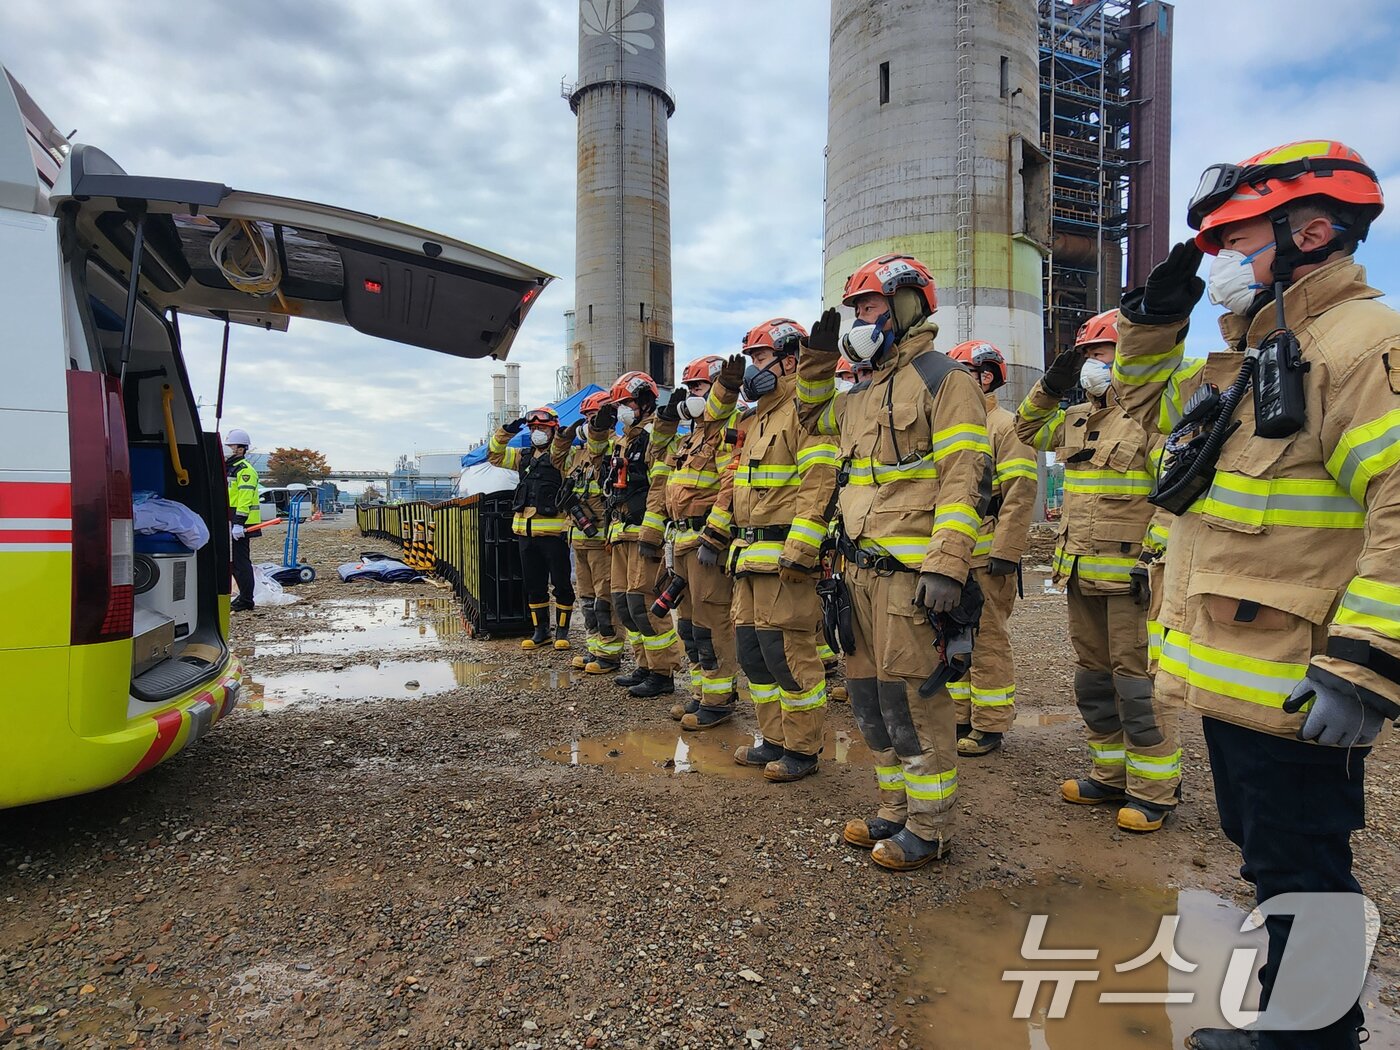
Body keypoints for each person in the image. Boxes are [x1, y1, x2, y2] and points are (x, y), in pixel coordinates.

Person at [1114, 140, 1395, 1050]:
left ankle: (1309, 1039)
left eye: (1237, 238)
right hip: (1240, 672)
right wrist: (1155, 323)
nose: (1222, 258)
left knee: (1303, 865)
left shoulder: (1359, 345)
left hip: (1300, 674)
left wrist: (1364, 664)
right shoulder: (1255, 358)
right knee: (1271, 858)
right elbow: (1139, 417)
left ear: (1312, 231)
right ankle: (1301, 1024)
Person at [797, 254, 992, 871]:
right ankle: (894, 805)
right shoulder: (858, 393)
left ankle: (929, 827)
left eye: (872, 307)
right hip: (855, 574)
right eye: (856, 309)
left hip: (909, 578)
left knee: (914, 701)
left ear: (908, 306)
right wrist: (818, 365)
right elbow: (809, 419)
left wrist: (947, 565)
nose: (862, 319)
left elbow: (966, 478)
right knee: (869, 699)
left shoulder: (945, 380)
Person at [1013, 309, 1180, 832]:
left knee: (1136, 685)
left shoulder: (1153, 418)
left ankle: (1154, 790)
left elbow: (1178, 494)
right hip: (1080, 571)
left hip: (1131, 577)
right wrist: (1048, 384)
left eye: (1101, 352)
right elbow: (1024, 428)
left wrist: (1154, 558)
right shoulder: (1077, 417)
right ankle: (1109, 776)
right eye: (1086, 354)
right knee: (1093, 682)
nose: (1092, 363)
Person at [700, 319, 838, 780]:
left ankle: (803, 747)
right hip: (749, 557)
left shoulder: (806, 410)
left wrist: (802, 550)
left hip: (785, 560)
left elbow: (820, 482)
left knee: (789, 654)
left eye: (760, 359)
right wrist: (725, 386)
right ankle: (773, 738)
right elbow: (709, 434)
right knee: (754, 652)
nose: (755, 368)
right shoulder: (755, 417)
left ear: (790, 360)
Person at [641, 354, 745, 725]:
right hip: (681, 543)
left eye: (699, 387)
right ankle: (702, 692)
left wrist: (714, 535)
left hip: (704, 542)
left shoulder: (729, 429)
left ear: (719, 387)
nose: (692, 395)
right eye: (689, 388)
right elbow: (660, 468)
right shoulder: (694, 436)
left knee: (711, 621)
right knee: (689, 625)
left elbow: (731, 485)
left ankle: (718, 701)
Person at [945, 341, 1037, 756]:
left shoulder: (1006, 426)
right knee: (951, 638)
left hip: (987, 557)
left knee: (987, 641)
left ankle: (989, 725)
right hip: (955, 555)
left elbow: (1019, 495)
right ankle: (959, 716)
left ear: (984, 376)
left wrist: (1007, 551)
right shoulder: (952, 425)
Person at [594, 371, 685, 698]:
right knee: (624, 602)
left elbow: (659, 485)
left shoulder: (653, 438)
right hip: (620, 531)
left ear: (645, 402)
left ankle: (664, 672)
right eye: (619, 405)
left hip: (643, 532)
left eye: (627, 403)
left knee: (644, 602)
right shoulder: (624, 439)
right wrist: (597, 429)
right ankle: (644, 664)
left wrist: (653, 530)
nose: (622, 410)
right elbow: (597, 465)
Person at [488, 406, 575, 651]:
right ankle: (541, 632)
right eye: (534, 428)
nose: (537, 432)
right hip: (525, 534)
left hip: (554, 534)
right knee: (534, 585)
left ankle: (563, 632)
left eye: (542, 428)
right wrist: (505, 432)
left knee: (561, 585)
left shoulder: (564, 457)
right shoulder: (522, 457)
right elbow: (494, 456)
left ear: (553, 430)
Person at [555, 391, 622, 673]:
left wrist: (597, 432)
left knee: (604, 597)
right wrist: (564, 437)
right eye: (584, 418)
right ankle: (595, 648)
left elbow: (600, 451)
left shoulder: (613, 447)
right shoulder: (578, 452)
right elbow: (556, 461)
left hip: (601, 538)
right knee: (587, 599)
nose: (587, 423)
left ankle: (610, 654)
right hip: (579, 538)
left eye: (591, 417)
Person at [224, 428, 260, 612]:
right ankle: (242, 597)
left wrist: (238, 523)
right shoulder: (230, 467)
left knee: (240, 562)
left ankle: (246, 600)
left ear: (241, 448)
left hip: (241, 523)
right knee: (233, 562)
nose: (228, 448)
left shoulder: (246, 470)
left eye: (231, 445)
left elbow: (244, 499)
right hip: (231, 519)